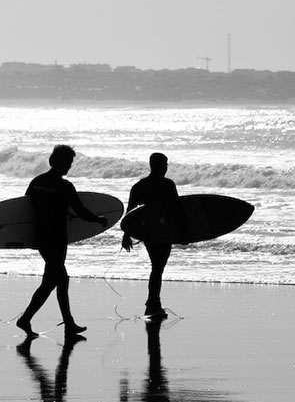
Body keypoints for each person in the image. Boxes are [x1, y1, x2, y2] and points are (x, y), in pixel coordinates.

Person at [16, 144, 106, 339]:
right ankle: (67, 324)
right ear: (60, 162)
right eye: (68, 162)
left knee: (51, 281)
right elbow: (81, 211)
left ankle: (29, 320)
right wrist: (99, 220)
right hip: (56, 238)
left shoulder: (37, 182)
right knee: (61, 279)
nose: (69, 166)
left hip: (41, 237)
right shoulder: (64, 186)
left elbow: (24, 210)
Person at [121, 152, 184, 316]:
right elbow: (177, 210)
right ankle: (152, 304)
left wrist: (126, 235)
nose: (165, 168)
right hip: (163, 231)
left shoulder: (140, 185)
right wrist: (183, 233)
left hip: (148, 231)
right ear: (156, 166)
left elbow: (129, 213)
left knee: (157, 267)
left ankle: (153, 302)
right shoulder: (168, 185)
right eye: (164, 165)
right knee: (157, 267)